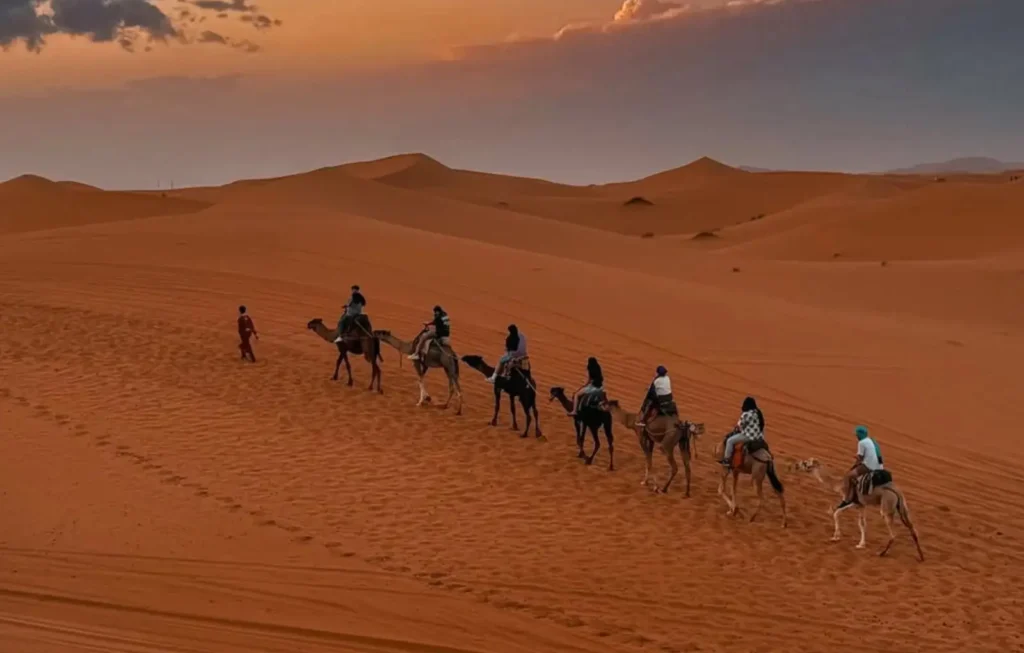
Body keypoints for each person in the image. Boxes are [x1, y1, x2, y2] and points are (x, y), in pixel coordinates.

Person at [835, 425, 884, 509]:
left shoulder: (861, 443)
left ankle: (846, 500)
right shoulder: (872, 441)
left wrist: (855, 463)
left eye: (857, 435)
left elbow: (860, 458)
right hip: (879, 467)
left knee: (848, 476)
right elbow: (878, 454)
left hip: (869, 466)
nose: (856, 436)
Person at [720, 396, 764, 466]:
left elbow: (739, 426)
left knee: (729, 441)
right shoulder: (758, 412)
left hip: (749, 436)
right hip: (759, 437)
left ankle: (727, 460)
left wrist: (736, 430)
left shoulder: (746, 414)